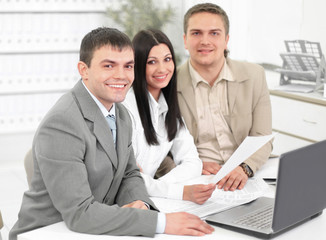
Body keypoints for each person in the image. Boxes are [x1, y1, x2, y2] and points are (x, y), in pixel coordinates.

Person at [9, 27, 214, 240]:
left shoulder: (120, 113)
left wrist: (141, 204)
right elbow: (80, 214)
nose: (121, 75)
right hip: (48, 232)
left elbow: (129, 174)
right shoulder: (62, 123)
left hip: (95, 227)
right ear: (83, 70)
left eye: (128, 66)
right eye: (109, 65)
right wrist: (160, 222)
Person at [177, 3, 272, 191]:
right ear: (185, 40)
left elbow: (263, 137)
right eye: (196, 33)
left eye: (214, 33)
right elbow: (157, 147)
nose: (205, 41)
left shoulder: (254, 75)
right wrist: (192, 167)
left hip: (247, 175)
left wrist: (244, 168)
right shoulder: (169, 83)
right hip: (197, 178)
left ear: (226, 39)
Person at [122, 29, 216, 205]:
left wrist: (158, 186)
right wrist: (176, 191)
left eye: (167, 59)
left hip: (147, 198)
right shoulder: (126, 108)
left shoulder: (167, 106)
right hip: (121, 202)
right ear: (139, 65)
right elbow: (129, 178)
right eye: (152, 62)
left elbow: (192, 162)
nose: (162, 68)